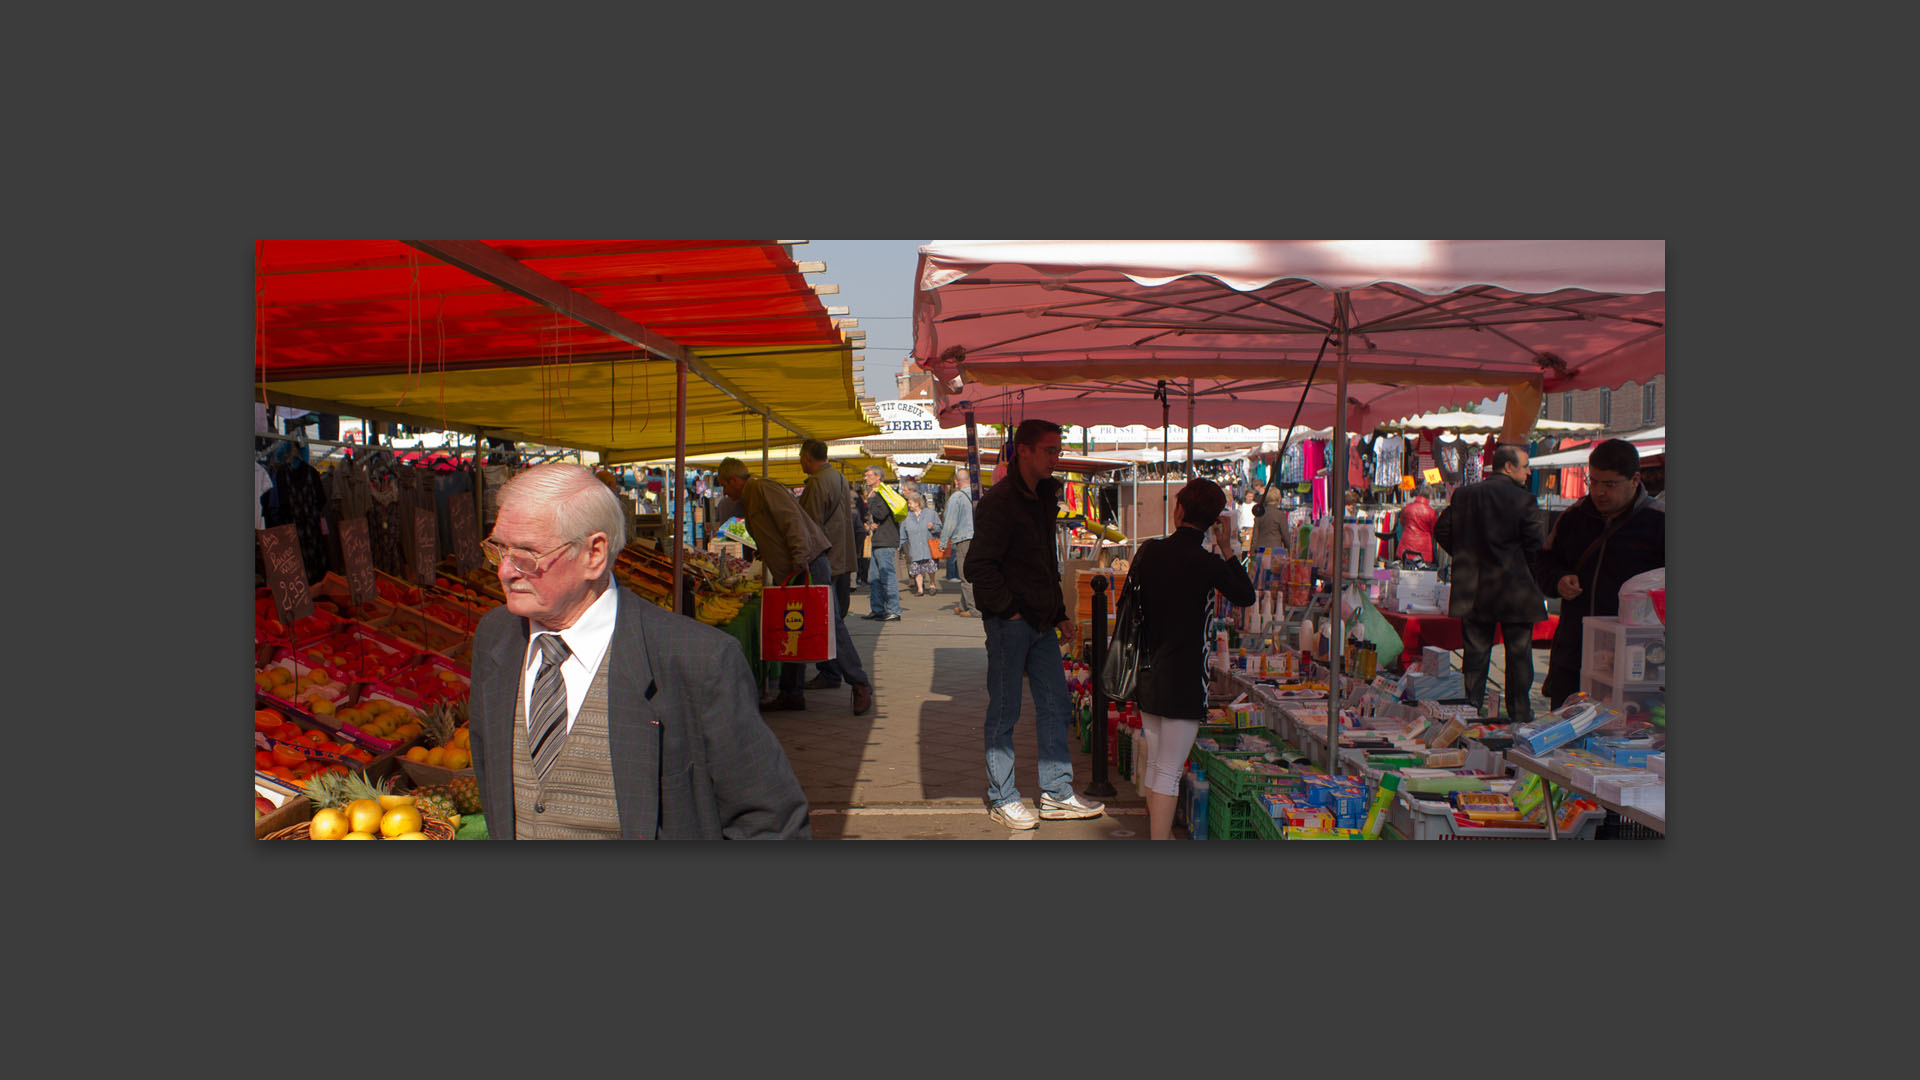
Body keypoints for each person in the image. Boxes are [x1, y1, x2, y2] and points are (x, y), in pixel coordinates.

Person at [468, 463, 810, 839]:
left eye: (527, 554)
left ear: (594, 554)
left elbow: (772, 824)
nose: (504, 571)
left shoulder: (698, 660)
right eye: (499, 548)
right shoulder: (496, 638)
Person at [965, 418, 1105, 829]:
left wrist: (1059, 611)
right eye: (1049, 450)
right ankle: (1002, 797)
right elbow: (978, 566)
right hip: (1011, 623)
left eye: (1057, 450)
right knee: (1005, 711)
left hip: (1042, 621)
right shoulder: (1000, 501)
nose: (1055, 458)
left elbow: (1046, 560)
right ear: (1022, 450)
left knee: (1056, 705)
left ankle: (1056, 793)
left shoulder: (1044, 496)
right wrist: (1008, 609)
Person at [1128, 479, 1257, 840]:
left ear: (1179, 509)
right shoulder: (1208, 562)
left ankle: (1159, 835)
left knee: (1157, 763)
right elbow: (1246, 596)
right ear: (1214, 521)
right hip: (1185, 677)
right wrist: (1228, 547)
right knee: (1168, 770)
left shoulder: (1149, 551)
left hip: (1149, 668)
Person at [716, 458, 874, 716]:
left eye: (724, 485)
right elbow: (778, 530)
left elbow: (792, 522)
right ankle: (791, 693)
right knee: (791, 626)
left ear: (734, 479)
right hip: (795, 567)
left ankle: (860, 684)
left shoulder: (761, 489)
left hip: (806, 564)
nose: (724, 492)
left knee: (829, 625)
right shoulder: (753, 495)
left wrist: (800, 558)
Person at [1535, 438, 1666, 708]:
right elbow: (1544, 562)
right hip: (1573, 653)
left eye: (1609, 484)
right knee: (1563, 732)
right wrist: (1558, 580)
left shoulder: (1659, 521)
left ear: (1635, 479)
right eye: (1593, 482)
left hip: (1634, 660)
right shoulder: (1573, 517)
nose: (1599, 492)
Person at [1432, 444, 1548, 723]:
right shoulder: (1524, 500)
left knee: (1475, 656)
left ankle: (1470, 710)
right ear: (1508, 467)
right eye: (1525, 466)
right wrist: (1537, 580)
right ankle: (1519, 713)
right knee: (1519, 656)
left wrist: (1465, 554)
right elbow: (1536, 547)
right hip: (1515, 588)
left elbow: (1441, 530)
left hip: (1474, 587)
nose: (1528, 471)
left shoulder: (1465, 495)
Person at [798, 439, 858, 693]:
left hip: (825, 558)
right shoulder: (839, 478)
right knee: (832, 616)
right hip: (841, 554)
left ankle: (843, 674)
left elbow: (808, 526)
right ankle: (836, 672)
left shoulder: (818, 482)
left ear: (807, 456)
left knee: (828, 619)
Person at [861, 466, 902, 621]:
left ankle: (894, 610)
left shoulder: (882, 493)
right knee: (874, 577)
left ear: (878, 477)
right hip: (879, 539)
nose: (866, 478)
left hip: (886, 540)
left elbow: (880, 513)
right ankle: (877, 609)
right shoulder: (877, 493)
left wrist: (870, 500)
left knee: (887, 575)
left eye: (868, 475)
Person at [940, 468, 978, 616]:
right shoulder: (979, 495)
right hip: (980, 538)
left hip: (964, 539)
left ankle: (974, 609)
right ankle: (963, 605)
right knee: (973, 572)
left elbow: (950, 522)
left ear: (956, 482)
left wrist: (943, 541)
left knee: (966, 575)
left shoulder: (956, 497)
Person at [1378, 484, 1439, 568]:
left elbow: (1402, 523)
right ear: (1430, 496)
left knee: (1404, 572)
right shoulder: (1431, 512)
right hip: (1423, 547)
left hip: (1406, 544)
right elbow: (1434, 530)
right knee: (1422, 574)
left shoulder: (1408, 508)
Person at [902, 491, 942, 597]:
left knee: (930, 567)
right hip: (914, 547)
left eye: (910, 503)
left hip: (928, 546)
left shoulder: (931, 514)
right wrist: (899, 545)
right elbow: (903, 533)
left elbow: (939, 527)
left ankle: (932, 585)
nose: (908, 505)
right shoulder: (907, 517)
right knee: (916, 569)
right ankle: (920, 589)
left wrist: (933, 527)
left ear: (917, 503)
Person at [1249, 480, 1290, 555]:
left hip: (1260, 551)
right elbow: (1285, 535)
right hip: (1275, 551)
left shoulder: (1260, 513)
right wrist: (1291, 550)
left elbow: (1255, 536)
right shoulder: (1280, 515)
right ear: (1279, 499)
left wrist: (1252, 553)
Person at [1235, 488, 1258, 552]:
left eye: (1252, 496)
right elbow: (1239, 517)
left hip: (1252, 528)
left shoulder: (1255, 505)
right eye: (1248, 496)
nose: (1250, 498)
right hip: (1244, 529)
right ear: (1245, 496)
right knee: (1244, 547)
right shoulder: (1241, 506)